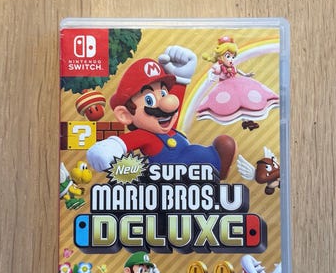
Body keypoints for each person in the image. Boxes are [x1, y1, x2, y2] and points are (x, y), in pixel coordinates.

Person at [87, 46, 237, 179]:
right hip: (172, 184)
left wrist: (181, 78)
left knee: (224, 142)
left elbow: (173, 104)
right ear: (125, 115)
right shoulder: (146, 135)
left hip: (197, 181)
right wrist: (110, 148)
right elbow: (126, 142)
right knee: (223, 144)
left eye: (164, 93)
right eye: (150, 100)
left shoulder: (167, 128)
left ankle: (219, 169)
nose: (167, 103)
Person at [196, 36, 279, 128]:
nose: (231, 59)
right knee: (233, 103)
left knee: (244, 99)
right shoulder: (219, 66)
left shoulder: (231, 66)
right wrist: (210, 77)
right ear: (220, 57)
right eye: (228, 56)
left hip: (237, 83)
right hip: (225, 86)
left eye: (233, 57)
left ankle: (248, 121)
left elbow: (238, 71)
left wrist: (246, 75)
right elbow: (211, 71)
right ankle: (245, 120)